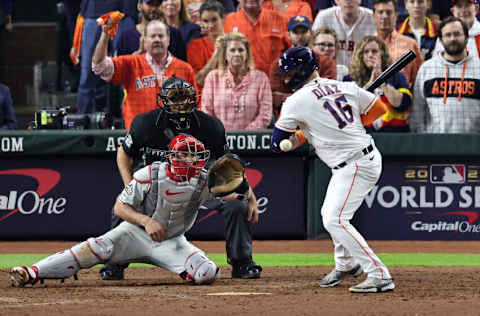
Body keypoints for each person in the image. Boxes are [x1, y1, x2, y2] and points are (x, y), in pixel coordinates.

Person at [100, 76, 262, 280]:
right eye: (175, 98)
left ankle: (242, 262)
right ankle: (115, 264)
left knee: (238, 205)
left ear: (194, 98)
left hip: (199, 185)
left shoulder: (210, 125)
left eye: (185, 97)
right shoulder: (146, 123)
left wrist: (250, 197)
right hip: (156, 186)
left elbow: (228, 167)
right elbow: (124, 153)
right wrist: (129, 186)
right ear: (164, 100)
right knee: (124, 207)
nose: (181, 103)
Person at [10, 135, 221, 288]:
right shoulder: (148, 174)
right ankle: (32, 272)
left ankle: (188, 269)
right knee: (94, 247)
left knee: (207, 273)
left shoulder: (205, 180)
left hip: (172, 241)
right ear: (172, 156)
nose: (191, 160)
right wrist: (146, 221)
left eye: (194, 155)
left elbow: (235, 191)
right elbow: (120, 207)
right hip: (135, 233)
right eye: (185, 154)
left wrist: (246, 196)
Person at [271, 46, 394, 293]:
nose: (286, 77)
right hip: (358, 159)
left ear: (302, 69)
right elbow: (380, 110)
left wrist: (309, 133)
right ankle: (346, 264)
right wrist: (343, 123)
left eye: (290, 72)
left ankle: (379, 274)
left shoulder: (294, 102)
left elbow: (277, 144)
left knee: (334, 218)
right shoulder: (345, 86)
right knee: (332, 213)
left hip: (356, 164)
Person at [92, 19, 197, 130]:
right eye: (152, 36)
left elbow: (194, 105)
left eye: (161, 36)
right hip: (138, 136)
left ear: (168, 40)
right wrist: (105, 34)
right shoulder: (131, 63)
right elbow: (99, 66)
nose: (157, 39)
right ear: (144, 40)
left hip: (174, 137)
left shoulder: (185, 69)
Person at [410, 17, 480, 133]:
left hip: (473, 145)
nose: (453, 39)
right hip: (434, 145)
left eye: (457, 34)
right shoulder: (427, 68)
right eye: (448, 35)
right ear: (441, 40)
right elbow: (417, 111)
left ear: (467, 37)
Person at [269, 15, 337, 120]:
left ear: (311, 33)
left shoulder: (326, 62)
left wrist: (287, 97)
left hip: (319, 118)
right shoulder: (277, 64)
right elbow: (275, 99)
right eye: (296, 32)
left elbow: (328, 95)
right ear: (288, 35)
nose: (300, 36)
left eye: (304, 32)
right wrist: (312, 95)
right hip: (288, 118)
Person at [201, 32, 273, 130]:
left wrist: (243, 136)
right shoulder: (213, 78)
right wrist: (221, 134)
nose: (237, 54)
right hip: (219, 139)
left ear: (247, 54)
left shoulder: (261, 78)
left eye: (241, 50)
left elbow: (265, 115)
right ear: (225, 55)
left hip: (251, 140)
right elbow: (206, 113)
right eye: (232, 50)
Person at [75, 0, 136, 114]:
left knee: (127, 71)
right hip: (93, 14)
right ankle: (82, 122)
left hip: (124, 13)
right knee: (88, 75)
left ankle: (129, 119)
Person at [345, 36, 412, 132]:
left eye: (374, 51)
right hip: (362, 135)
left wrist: (382, 82)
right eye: (366, 52)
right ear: (360, 56)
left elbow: (402, 104)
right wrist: (371, 83)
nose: (370, 55)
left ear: (382, 54)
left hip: (394, 135)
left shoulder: (397, 77)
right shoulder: (350, 79)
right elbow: (348, 110)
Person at [223, 0, 290, 76]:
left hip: (275, 84)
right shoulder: (228, 22)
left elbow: (292, 53)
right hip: (242, 84)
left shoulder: (281, 20)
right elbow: (223, 57)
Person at [372, 0, 424, 87]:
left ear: (395, 16)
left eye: (389, 12)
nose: (384, 16)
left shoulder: (410, 44)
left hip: (403, 96)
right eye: (380, 12)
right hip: (372, 98)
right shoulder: (365, 44)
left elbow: (419, 80)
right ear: (374, 16)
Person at [116, 0, 187, 61]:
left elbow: (183, 67)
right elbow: (120, 69)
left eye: (157, 5)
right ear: (139, 6)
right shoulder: (126, 36)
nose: (154, 9)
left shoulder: (174, 33)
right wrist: (138, 55)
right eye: (149, 4)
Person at [312, 0, 377, 68]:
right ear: (336, 1)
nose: (348, 1)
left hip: (363, 72)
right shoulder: (323, 17)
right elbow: (312, 45)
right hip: (331, 71)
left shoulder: (373, 17)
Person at [187, 0, 224, 88]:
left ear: (223, 18)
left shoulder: (235, 42)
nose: (210, 25)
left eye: (214, 20)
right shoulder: (194, 46)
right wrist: (217, 54)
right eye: (206, 21)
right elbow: (198, 81)